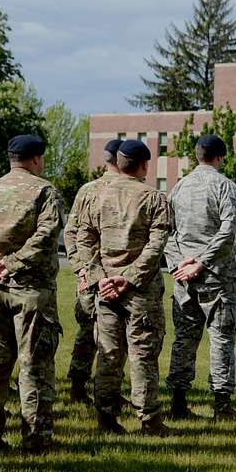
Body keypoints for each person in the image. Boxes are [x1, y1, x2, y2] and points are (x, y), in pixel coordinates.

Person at [0, 134, 63, 453]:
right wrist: (13, 264)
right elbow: (47, 234)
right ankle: (36, 437)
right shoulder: (44, 191)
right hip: (31, 290)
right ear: (36, 159)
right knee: (34, 364)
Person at [75, 139, 171, 435]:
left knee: (108, 354)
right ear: (145, 165)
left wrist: (99, 277)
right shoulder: (154, 198)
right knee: (142, 354)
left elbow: (84, 239)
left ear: (118, 161)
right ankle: (149, 420)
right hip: (139, 292)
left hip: (105, 289)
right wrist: (128, 278)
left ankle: (106, 419)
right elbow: (156, 247)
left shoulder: (97, 195)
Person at [165, 134, 236, 421]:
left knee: (184, 340)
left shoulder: (178, 188)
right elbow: (228, 233)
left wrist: (181, 264)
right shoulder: (226, 187)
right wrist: (200, 263)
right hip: (216, 277)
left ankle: (178, 404)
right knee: (222, 339)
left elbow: (167, 233)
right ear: (220, 156)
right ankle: (222, 406)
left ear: (197, 155)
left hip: (184, 278)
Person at [62, 138, 122, 404]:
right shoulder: (132, 189)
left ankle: (79, 385)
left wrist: (81, 269)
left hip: (90, 272)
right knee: (116, 334)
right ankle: (108, 391)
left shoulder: (87, 190)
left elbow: (70, 233)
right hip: (118, 277)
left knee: (87, 331)